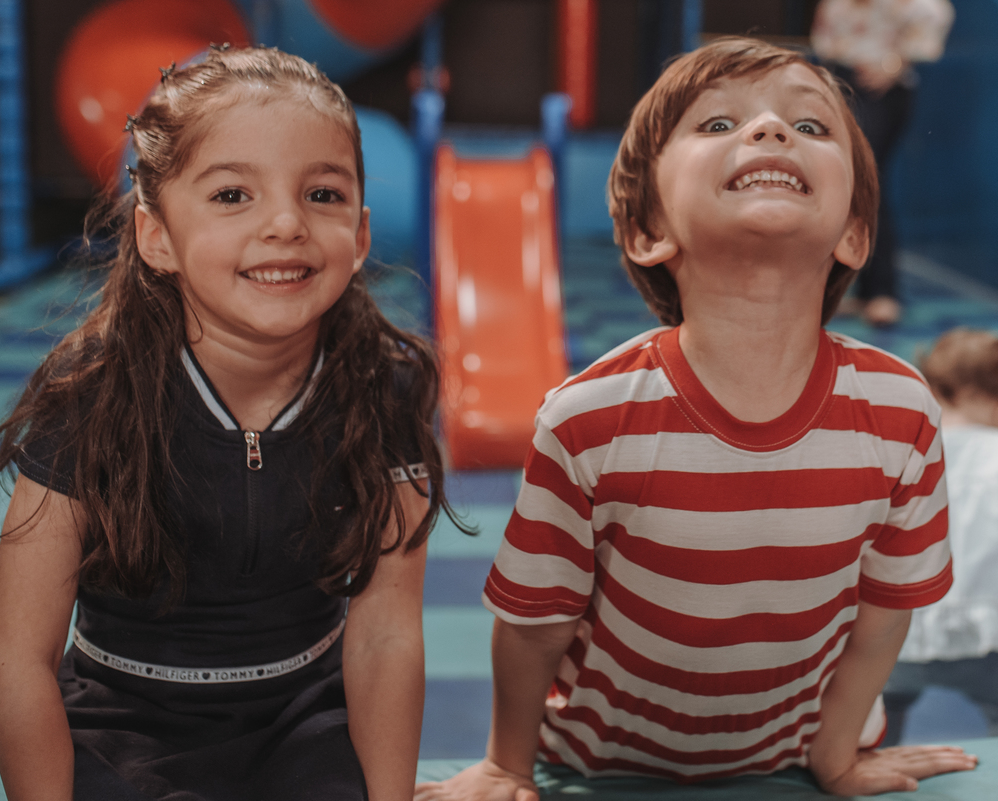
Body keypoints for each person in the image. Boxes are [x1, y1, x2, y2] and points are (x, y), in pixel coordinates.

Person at [416, 37, 976, 801]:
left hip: (792, 750)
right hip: (600, 763)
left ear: (854, 234)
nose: (771, 130)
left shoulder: (900, 409)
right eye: (718, 124)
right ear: (649, 232)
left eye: (809, 126)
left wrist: (837, 753)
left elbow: (885, 612)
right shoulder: (590, 419)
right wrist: (506, 766)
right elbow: (535, 621)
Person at [0, 47, 449, 801]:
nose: (286, 224)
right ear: (156, 236)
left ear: (360, 235)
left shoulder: (385, 385)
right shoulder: (92, 393)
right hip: (124, 725)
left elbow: (385, 635)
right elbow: (16, 656)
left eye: (322, 194)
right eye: (231, 195)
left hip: (303, 723)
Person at [882, 328, 998, 743]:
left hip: (895, 632)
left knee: (868, 731)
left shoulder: (898, 452)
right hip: (986, 636)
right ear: (978, 395)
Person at [811, 0, 955, 327]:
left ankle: (881, 291)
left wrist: (896, 62)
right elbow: (826, 39)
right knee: (838, 181)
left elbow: (934, 15)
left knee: (869, 180)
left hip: (881, 89)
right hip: (839, 81)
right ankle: (847, 289)